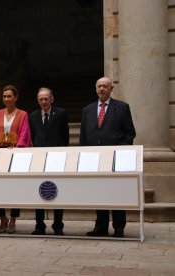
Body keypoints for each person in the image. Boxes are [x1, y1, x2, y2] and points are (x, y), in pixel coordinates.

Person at [80, 77, 136, 238]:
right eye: (99, 86)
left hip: (115, 159)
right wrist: (84, 156)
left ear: (111, 89)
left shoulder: (122, 108)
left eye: (105, 86)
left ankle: (119, 226)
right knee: (99, 193)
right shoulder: (87, 110)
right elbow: (83, 136)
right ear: (96, 89)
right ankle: (101, 226)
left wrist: (121, 151)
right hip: (94, 159)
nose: (102, 89)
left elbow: (129, 133)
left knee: (116, 192)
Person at [0, 84, 31, 234]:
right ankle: (2, 218)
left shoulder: (23, 114)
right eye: (4, 96)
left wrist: (19, 147)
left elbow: (24, 133)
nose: (6, 99)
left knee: (14, 188)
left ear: (15, 97)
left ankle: (13, 219)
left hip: (16, 155)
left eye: (9, 96)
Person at [28, 87, 69, 236]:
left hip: (57, 158)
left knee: (57, 191)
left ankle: (58, 225)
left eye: (46, 99)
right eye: (41, 99)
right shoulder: (32, 116)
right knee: (39, 191)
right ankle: (39, 224)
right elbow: (32, 136)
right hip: (39, 159)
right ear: (38, 101)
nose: (44, 102)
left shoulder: (61, 113)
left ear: (52, 99)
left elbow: (65, 136)